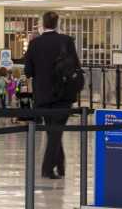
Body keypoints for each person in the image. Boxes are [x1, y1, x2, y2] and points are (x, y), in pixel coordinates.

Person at [22, 11, 82, 180]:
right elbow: (75, 66)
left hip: (42, 95)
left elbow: (28, 71)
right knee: (55, 131)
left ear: (43, 23)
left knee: (53, 131)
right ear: (58, 23)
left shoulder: (34, 44)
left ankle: (60, 166)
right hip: (63, 94)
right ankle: (48, 168)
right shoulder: (66, 41)